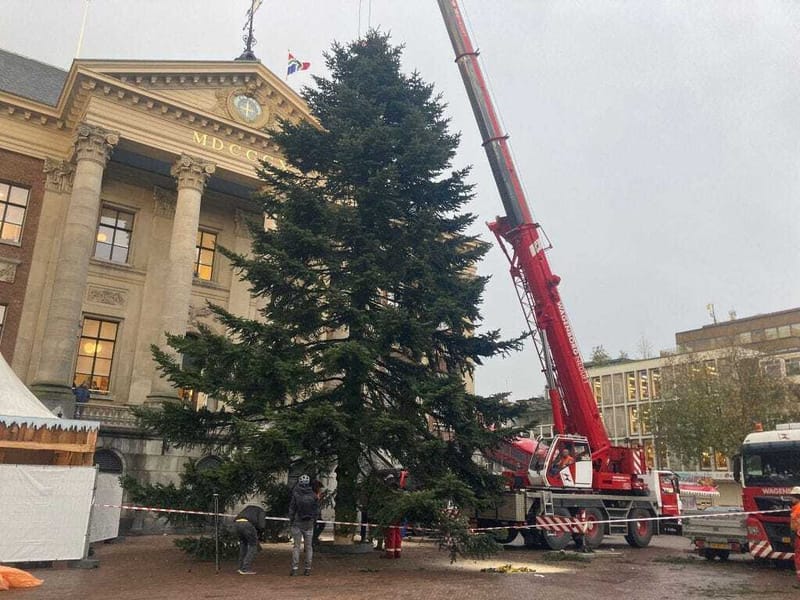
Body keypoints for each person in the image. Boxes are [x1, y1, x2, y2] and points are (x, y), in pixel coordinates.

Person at [289, 474, 319, 576]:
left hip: (297, 523)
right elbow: (316, 510)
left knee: (296, 546)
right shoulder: (314, 495)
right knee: (309, 547)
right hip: (309, 524)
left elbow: (292, 509)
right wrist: (314, 520)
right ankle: (308, 569)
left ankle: (294, 568)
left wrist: (291, 520)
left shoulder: (296, 494)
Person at [233, 504, 266, 575]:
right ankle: (245, 568)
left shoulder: (248, 508)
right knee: (253, 546)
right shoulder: (261, 511)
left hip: (236, 524)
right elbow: (262, 525)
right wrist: (260, 534)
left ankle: (240, 567)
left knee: (243, 545)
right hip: (247, 525)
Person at [790, 486, 800, 588]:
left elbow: (795, 525)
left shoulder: (797, 508)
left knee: (798, 558)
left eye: (793, 496)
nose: (791, 498)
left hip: (798, 536)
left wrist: (792, 536)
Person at [311, 479, 326, 546]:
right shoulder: (312, 495)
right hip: (312, 515)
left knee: (321, 525)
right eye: (319, 488)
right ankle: (312, 541)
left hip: (316, 515)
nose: (320, 490)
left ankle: (314, 539)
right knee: (313, 528)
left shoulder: (317, 495)